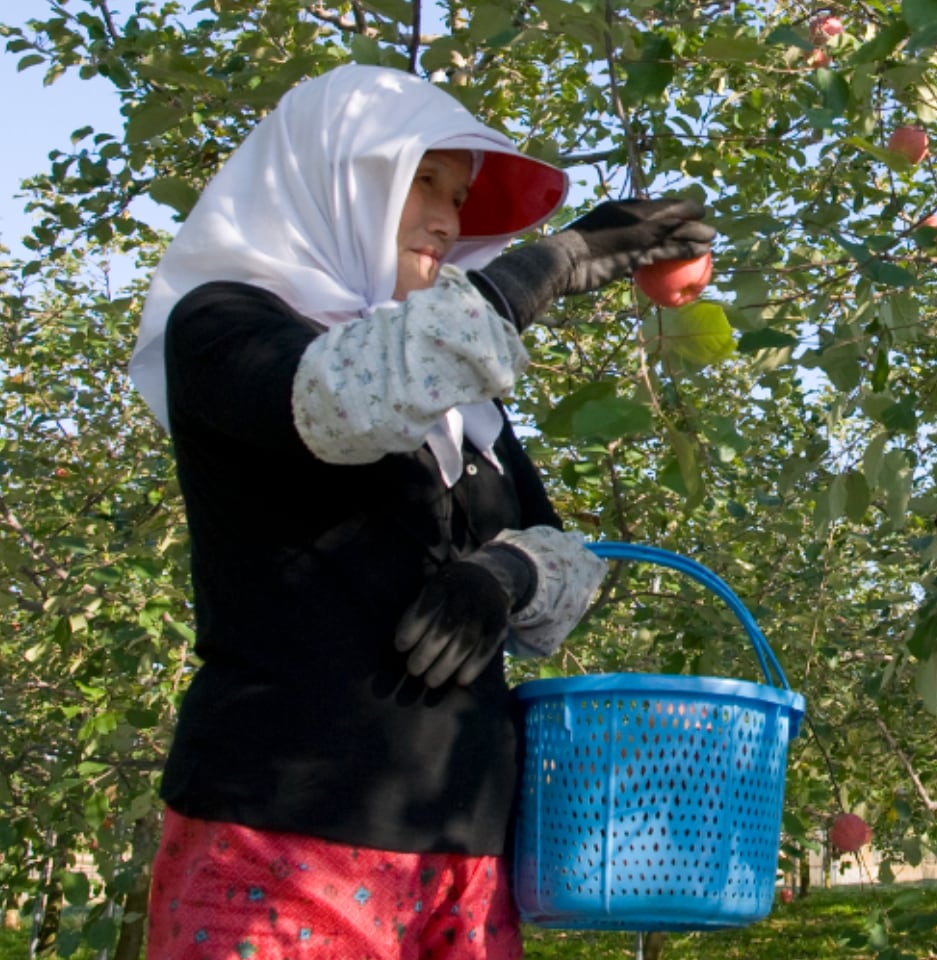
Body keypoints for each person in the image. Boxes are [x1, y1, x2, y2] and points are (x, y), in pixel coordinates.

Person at [128, 64, 715, 960]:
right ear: (339, 183)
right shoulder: (221, 326)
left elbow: (565, 552)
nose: (449, 217)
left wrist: (508, 573)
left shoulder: (457, 405)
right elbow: (341, 404)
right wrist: (551, 265)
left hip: (463, 841)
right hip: (281, 828)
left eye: (461, 194)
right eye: (422, 184)